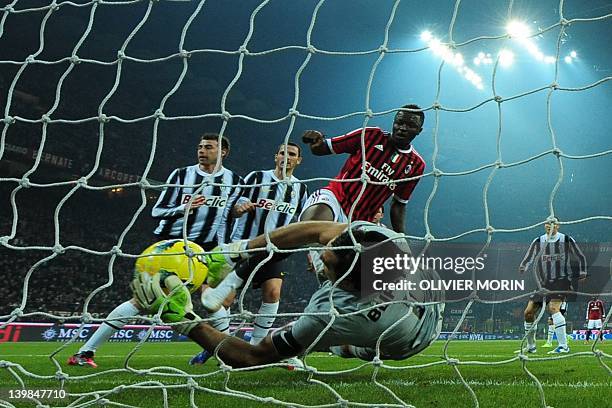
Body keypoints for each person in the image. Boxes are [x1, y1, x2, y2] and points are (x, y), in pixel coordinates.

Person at [132, 220, 444, 368]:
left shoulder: (333, 313)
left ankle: (321, 348)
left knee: (340, 347)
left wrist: (188, 322)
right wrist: (236, 252)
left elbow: (252, 356)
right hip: (427, 289)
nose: (322, 253)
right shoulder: (378, 240)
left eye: (329, 261)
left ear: (348, 284)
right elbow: (314, 230)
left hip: (407, 340)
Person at [68, 133, 243, 368]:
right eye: (200, 146)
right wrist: (184, 207)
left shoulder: (235, 180)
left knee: (216, 300)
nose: (202, 150)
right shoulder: (182, 175)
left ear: (223, 152)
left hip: (206, 249)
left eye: (208, 147)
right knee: (142, 300)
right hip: (172, 246)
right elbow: (157, 211)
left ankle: (223, 354)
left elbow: (226, 218)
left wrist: (227, 241)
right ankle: (85, 352)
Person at [189, 143, 308, 365]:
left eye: (291, 154)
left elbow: (300, 221)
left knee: (273, 292)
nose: (286, 157)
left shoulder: (300, 188)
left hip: (273, 251)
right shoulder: (256, 178)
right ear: (276, 156)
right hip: (243, 247)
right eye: (282, 152)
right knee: (223, 302)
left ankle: (256, 345)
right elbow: (234, 205)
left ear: (298, 160)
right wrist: (239, 209)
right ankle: (223, 346)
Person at [300, 105, 425, 274]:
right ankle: (260, 248)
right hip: (335, 197)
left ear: (419, 130)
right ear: (394, 121)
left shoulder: (416, 165)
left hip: (360, 222)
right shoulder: (370, 135)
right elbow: (322, 149)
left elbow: (399, 204)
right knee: (311, 227)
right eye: (400, 122)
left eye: (410, 126)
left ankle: (322, 262)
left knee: (340, 278)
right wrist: (317, 140)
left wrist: (401, 239)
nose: (402, 128)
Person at [517, 218, 587, 355]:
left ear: (558, 226)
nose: (549, 226)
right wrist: (523, 266)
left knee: (553, 308)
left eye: (552, 224)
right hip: (543, 283)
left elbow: (580, 256)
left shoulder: (566, 239)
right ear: (544, 226)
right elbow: (529, 256)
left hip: (562, 280)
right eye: (547, 224)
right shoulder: (538, 241)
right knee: (528, 312)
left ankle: (563, 346)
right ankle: (531, 346)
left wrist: (583, 271)